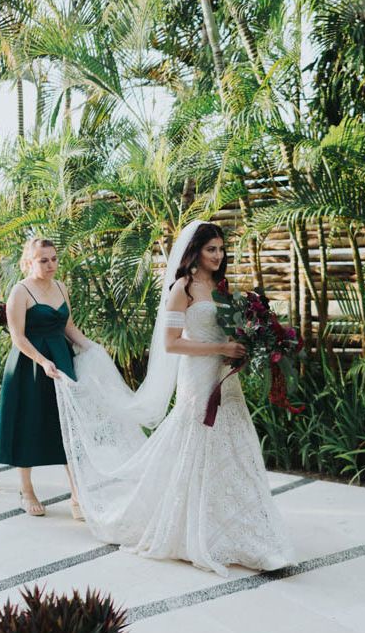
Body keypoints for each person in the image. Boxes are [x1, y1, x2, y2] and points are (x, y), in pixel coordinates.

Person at [55, 221, 293, 577]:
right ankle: (188, 528)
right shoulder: (181, 289)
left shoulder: (222, 287)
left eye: (221, 249)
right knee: (196, 442)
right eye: (211, 249)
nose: (218, 255)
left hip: (225, 377)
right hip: (197, 377)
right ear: (194, 251)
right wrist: (221, 347)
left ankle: (250, 534)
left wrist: (243, 349)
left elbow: (232, 330)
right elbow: (172, 343)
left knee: (234, 446)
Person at [0, 238, 87, 517]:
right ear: (29, 262)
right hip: (30, 364)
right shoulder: (20, 292)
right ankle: (27, 489)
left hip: (62, 359)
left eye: (54, 259)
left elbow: (69, 327)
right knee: (29, 422)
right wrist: (43, 361)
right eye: (43, 260)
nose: (51, 265)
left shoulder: (60, 287)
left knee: (68, 426)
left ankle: (78, 494)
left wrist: (93, 348)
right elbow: (17, 337)